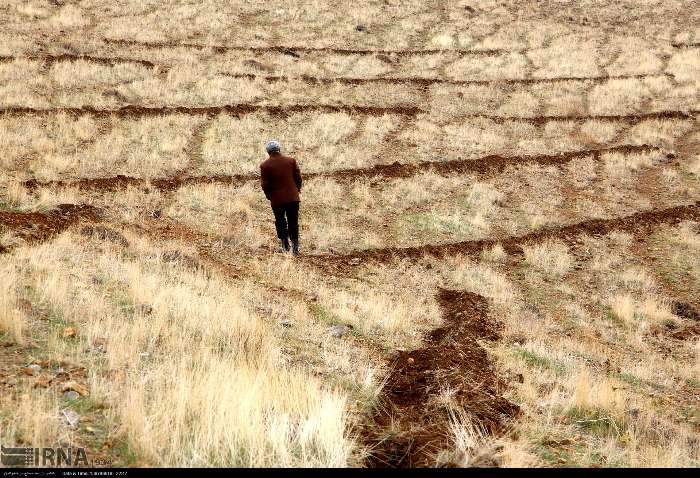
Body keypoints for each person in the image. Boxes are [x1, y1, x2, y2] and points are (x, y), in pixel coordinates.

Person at [260, 140, 302, 255]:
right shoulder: (291, 161)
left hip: (277, 200)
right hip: (293, 198)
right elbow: (298, 178)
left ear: (268, 152)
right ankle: (295, 248)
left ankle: (285, 245)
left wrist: (269, 196)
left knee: (280, 222)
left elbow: (265, 184)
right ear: (279, 149)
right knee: (293, 221)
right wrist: (296, 191)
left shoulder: (265, 165)